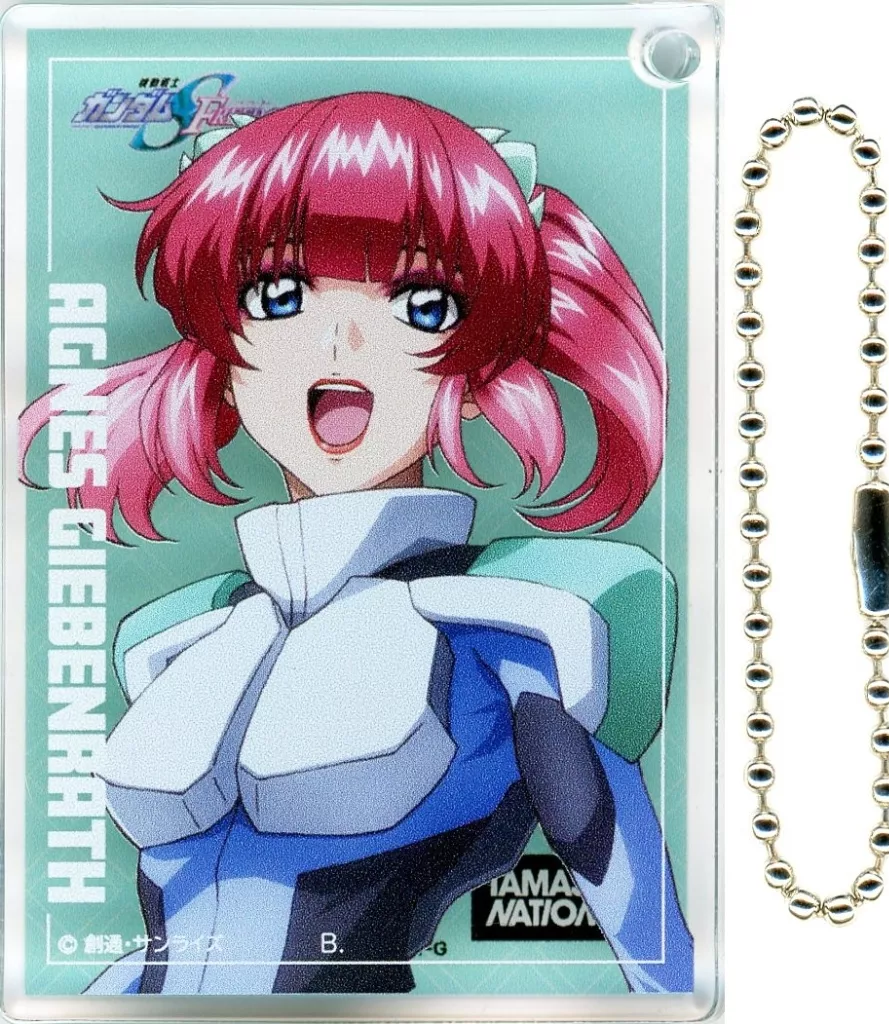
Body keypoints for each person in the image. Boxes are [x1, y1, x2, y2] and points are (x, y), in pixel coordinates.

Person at [20, 91, 693, 995]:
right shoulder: (175, 635)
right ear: (221, 348)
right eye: (277, 296)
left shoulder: (515, 624)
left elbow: (649, 937)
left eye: (422, 304)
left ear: (479, 364)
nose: (339, 339)